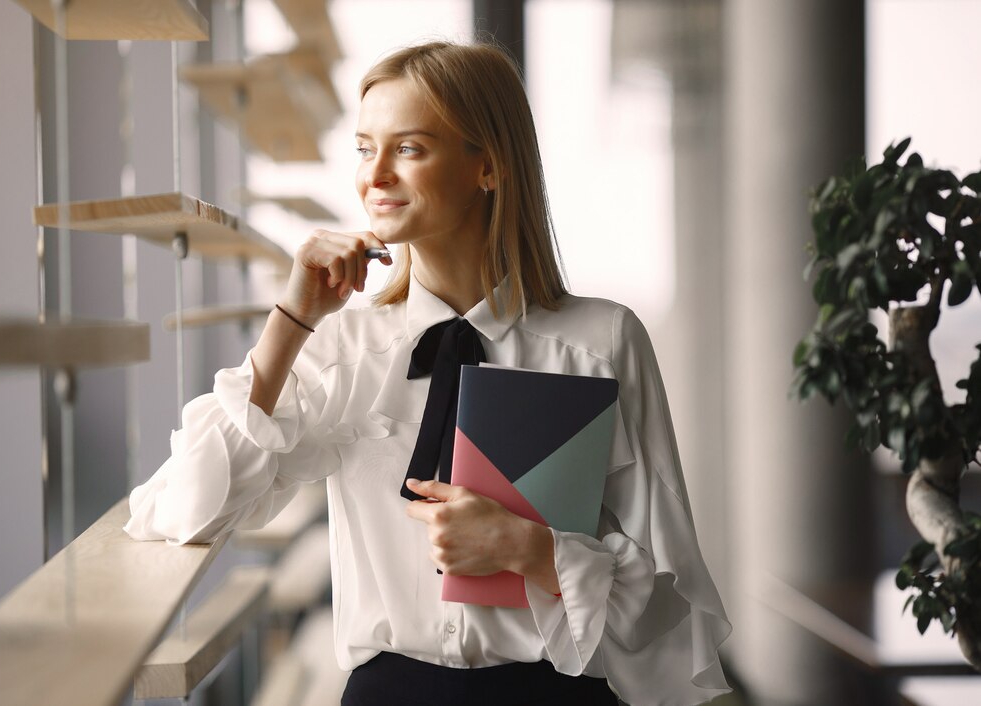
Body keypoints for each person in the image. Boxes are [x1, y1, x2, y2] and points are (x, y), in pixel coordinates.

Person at [125, 40, 731, 705]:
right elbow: (179, 509)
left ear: (488, 167)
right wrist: (292, 319)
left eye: (409, 148)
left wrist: (532, 551)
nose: (374, 175)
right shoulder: (343, 350)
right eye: (364, 148)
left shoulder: (601, 342)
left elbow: (665, 604)